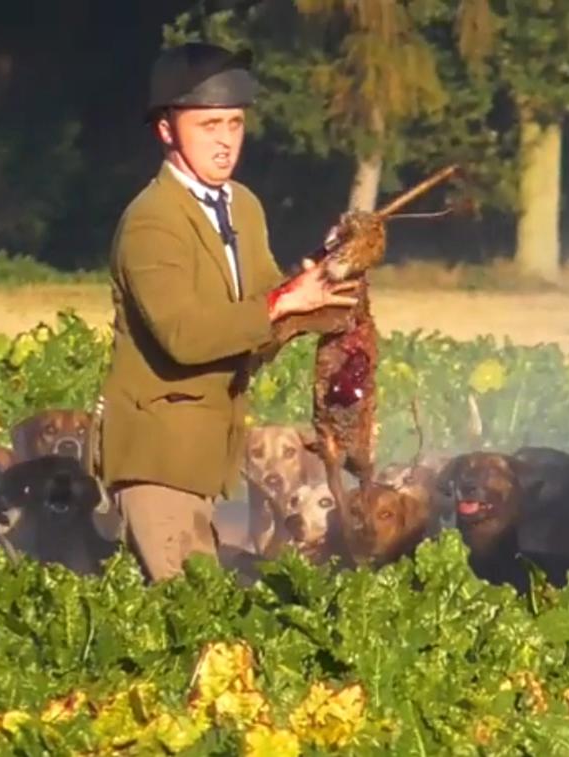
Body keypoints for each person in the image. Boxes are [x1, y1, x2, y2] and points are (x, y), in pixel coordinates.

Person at [96, 42, 360, 581]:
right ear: (166, 131)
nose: (225, 141)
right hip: (159, 460)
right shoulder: (151, 222)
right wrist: (284, 302)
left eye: (234, 124)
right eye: (208, 125)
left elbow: (263, 315)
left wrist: (322, 285)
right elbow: (185, 336)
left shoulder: (243, 205)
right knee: (191, 624)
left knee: (222, 612)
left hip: (212, 459)